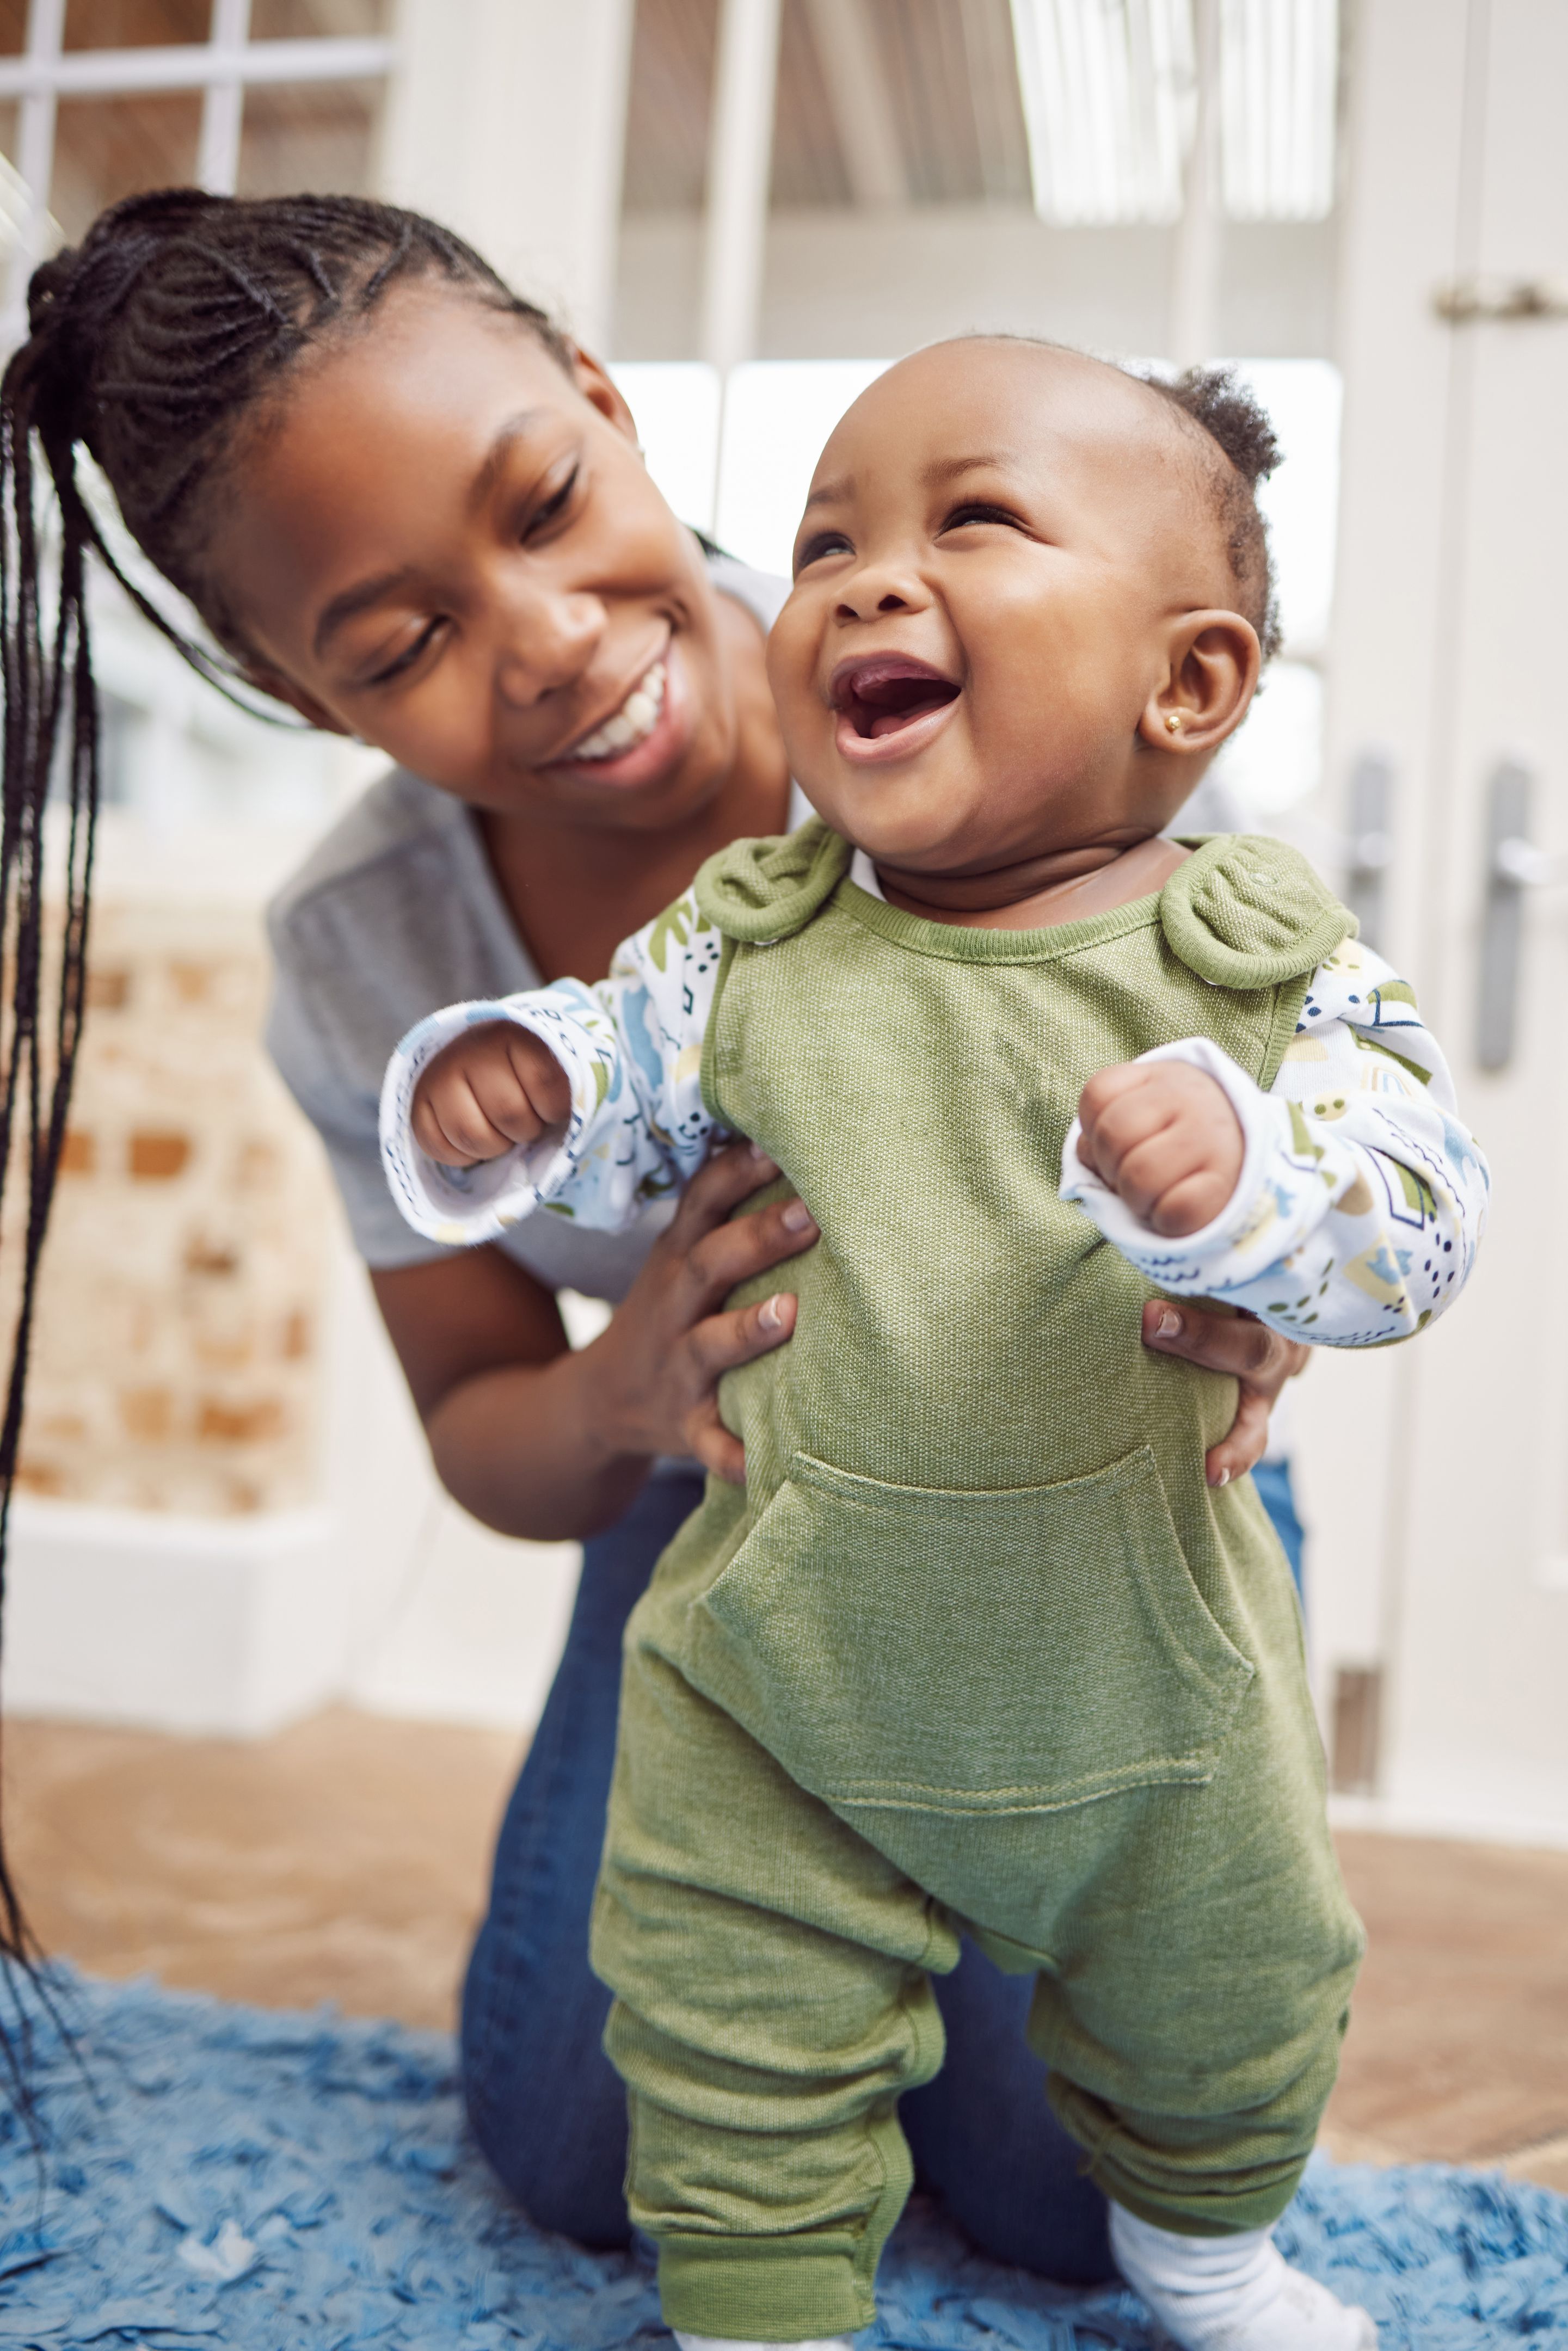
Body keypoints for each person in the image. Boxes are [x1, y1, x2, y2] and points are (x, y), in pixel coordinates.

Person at [2, 190, 1308, 2279]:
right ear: (296, 689)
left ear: (604, 403)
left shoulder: (1035, 697)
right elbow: (478, 1437)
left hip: (1089, 1496)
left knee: (1082, 2196)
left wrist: (1259, 1267)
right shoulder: (370, 962)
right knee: (584, 2151)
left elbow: (1312, 1142)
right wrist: (620, 1388)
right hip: (733, 1511)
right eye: (400, 643)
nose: (548, 646)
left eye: (546, 501)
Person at [385, 340, 1489, 2351]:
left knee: (1224, 1975)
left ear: (1190, 685)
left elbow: (1420, 1211)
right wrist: (523, 1077)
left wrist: (1262, 1183)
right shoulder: (759, 935)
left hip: (1136, 1651)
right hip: (781, 1639)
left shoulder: (1248, 956)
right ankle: (761, 2308)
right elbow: (628, 1065)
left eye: (969, 522)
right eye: (825, 543)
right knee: (715, 2005)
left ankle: (1209, 2254)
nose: (865, 583)